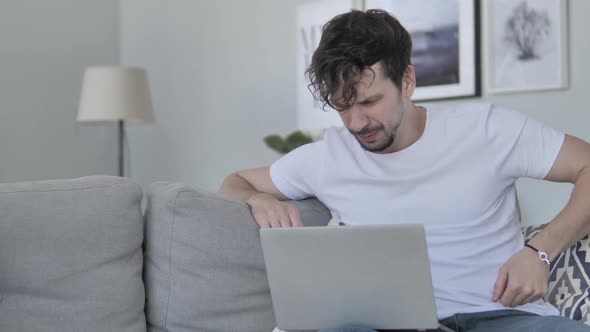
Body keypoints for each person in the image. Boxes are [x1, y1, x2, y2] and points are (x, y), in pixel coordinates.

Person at [220, 9, 590, 332]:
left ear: (407, 81)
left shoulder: (486, 130)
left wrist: (540, 251)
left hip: (503, 318)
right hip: (390, 324)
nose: (357, 121)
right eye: (342, 106)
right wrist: (256, 199)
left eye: (370, 101)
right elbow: (234, 182)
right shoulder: (328, 157)